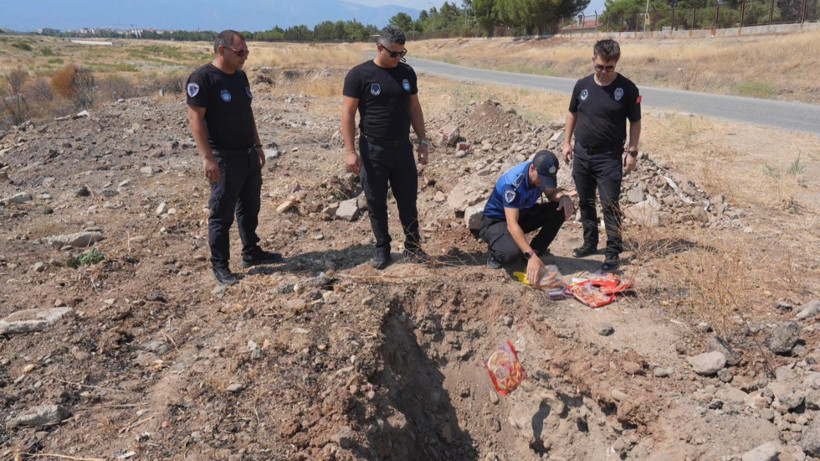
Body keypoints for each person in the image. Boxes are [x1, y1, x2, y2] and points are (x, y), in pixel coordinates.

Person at [187, 30, 282, 286]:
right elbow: (195, 119)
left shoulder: (240, 77)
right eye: (240, 53)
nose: (245, 57)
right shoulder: (203, 78)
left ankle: (251, 251)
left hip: (248, 154)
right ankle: (220, 264)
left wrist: (258, 144)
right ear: (222, 51)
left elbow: (247, 113)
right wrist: (208, 158)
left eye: (247, 52)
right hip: (224, 158)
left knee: (250, 208)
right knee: (222, 213)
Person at [342, 25, 430, 270]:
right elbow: (348, 114)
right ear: (379, 47)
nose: (398, 58)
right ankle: (383, 248)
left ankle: (413, 246)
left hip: (402, 149)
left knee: (408, 201)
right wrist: (350, 151)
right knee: (376, 201)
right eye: (394, 54)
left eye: (402, 53)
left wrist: (423, 141)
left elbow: (415, 108)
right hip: (373, 150)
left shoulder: (407, 73)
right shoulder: (359, 75)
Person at [562, 38, 641, 272]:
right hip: (583, 155)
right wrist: (567, 143)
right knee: (586, 202)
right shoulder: (582, 86)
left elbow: (635, 122)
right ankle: (590, 242)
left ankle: (613, 251)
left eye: (609, 67)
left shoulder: (627, 89)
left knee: (610, 205)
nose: (604, 72)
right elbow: (572, 114)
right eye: (599, 66)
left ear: (615, 63)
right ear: (593, 61)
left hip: (609, 157)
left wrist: (633, 151)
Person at [479, 150, 574, 286]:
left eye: (547, 180)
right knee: (511, 255)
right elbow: (512, 224)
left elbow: (551, 194)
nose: (543, 183)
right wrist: (530, 256)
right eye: (542, 179)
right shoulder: (512, 183)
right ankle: (497, 251)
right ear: (532, 168)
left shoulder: (541, 175)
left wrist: (563, 197)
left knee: (559, 210)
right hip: (497, 221)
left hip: (522, 213)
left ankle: (536, 251)